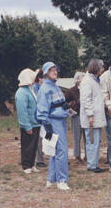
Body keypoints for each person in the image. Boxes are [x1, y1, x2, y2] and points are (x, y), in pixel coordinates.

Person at [36, 61, 71, 190]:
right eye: (52, 70)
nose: (55, 72)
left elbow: (57, 102)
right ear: (46, 73)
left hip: (61, 120)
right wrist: (47, 125)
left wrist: (64, 106)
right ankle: (62, 180)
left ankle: (51, 179)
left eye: (56, 70)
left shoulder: (55, 87)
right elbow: (42, 109)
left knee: (55, 150)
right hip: (53, 121)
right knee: (62, 150)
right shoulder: (44, 89)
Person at [80, 59, 107, 173]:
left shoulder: (95, 80)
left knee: (96, 141)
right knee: (92, 141)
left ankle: (94, 163)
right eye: (101, 67)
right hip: (91, 118)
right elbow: (86, 99)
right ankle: (91, 165)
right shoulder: (87, 81)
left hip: (96, 117)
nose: (102, 70)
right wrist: (90, 115)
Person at [15, 68, 41, 174]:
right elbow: (22, 112)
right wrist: (27, 126)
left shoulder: (30, 89)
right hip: (29, 124)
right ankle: (26, 166)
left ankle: (31, 164)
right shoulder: (21, 93)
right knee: (27, 146)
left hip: (35, 123)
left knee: (34, 146)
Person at [65, 71, 86, 162]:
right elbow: (64, 103)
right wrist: (70, 108)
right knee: (77, 136)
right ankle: (77, 155)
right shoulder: (71, 91)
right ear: (78, 80)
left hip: (86, 115)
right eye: (82, 79)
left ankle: (88, 155)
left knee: (87, 136)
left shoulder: (87, 89)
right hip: (76, 115)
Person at [32, 70, 47, 167]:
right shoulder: (35, 88)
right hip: (36, 117)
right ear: (40, 78)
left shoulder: (42, 87)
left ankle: (41, 157)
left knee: (43, 138)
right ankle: (39, 160)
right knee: (38, 139)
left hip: (43, 116)